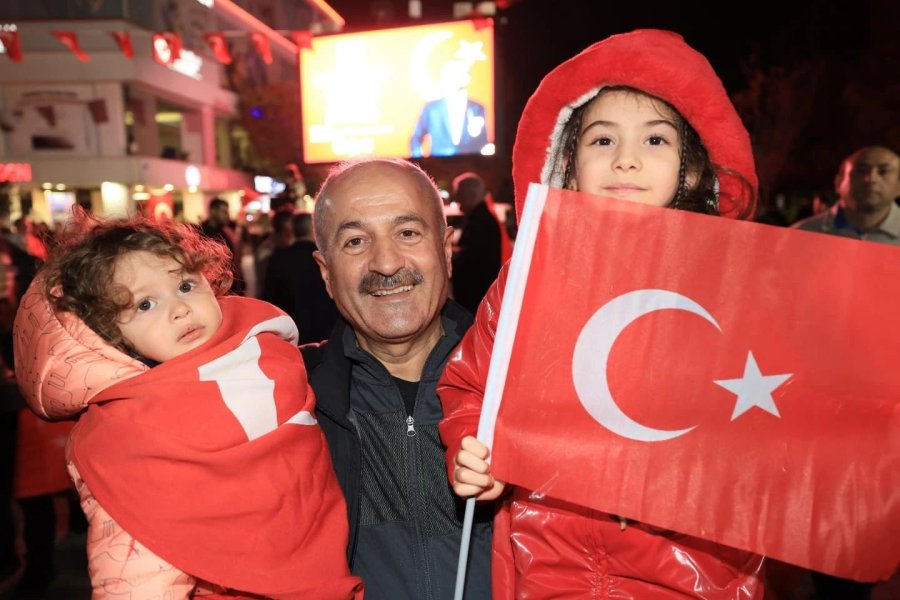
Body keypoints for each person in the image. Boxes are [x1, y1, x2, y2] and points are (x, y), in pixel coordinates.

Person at [438, 29, 767, 598]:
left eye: (656, 140)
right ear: (568, 164)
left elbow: (776, 421)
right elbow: (472, 384)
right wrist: (473, 447)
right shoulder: (528, 280)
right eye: (603, 139)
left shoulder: (737, 289)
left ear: (692, 171)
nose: (627, 159)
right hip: (547, 567)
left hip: (690, 575)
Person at [13, 212, 363, 599]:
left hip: (325, 570)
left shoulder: (264, 349)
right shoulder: (126, 433)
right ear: (109, 333)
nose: (179, 308)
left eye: (185, 285)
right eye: (145, 304)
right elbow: (136, 567)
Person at [302, 157, 492, 599]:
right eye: (355, 241)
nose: (386, 263)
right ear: (326, 273)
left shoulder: (517, 383)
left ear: (446, 250)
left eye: (407, 233)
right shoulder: (289, 402)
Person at [792, 145, 900, 244]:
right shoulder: (801, 235)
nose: (871, 179)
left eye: (883, 171)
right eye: (862, 170)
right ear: (838, 182)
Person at [262, 212, 338, 344]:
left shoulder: (279, 257)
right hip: (324, 331)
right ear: (314, 230)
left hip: (289, 333)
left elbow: (269, 297)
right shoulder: (326, 258)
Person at [410, 45, 489, 158]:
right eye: (450, 73)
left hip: (470, 164)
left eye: (460, 73)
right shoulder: (432, 108)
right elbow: (415, 139)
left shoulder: (477, 108)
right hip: (436, 166)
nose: (453, 77)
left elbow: (483, 142)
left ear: (467, 78)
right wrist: (420, 163)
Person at [449, 172, 503, 313]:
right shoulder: (481, 218)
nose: (457, 201)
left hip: (476, 298)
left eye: (460, 196)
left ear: (472, 195)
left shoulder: (481, 221)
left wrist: (450, 253)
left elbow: (473, 257)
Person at [200, 196, 245, 294]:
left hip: (231, 284)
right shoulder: (202, 233)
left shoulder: (226, 231)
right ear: (213, 211)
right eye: (224, 212)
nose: (227, 215)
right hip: (215, 287)